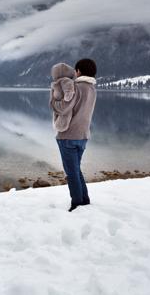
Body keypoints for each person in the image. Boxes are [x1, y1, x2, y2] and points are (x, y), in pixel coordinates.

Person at [50, 58, 97, 212]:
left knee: (71, 173)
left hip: (68, 136)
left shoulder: (76, 87)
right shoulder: (92, 89)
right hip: (83, 136)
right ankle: (85, 200)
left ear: (78, 71)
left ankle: (77, 204)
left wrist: (52, 102)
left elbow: (62, 108)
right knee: (76, 170)